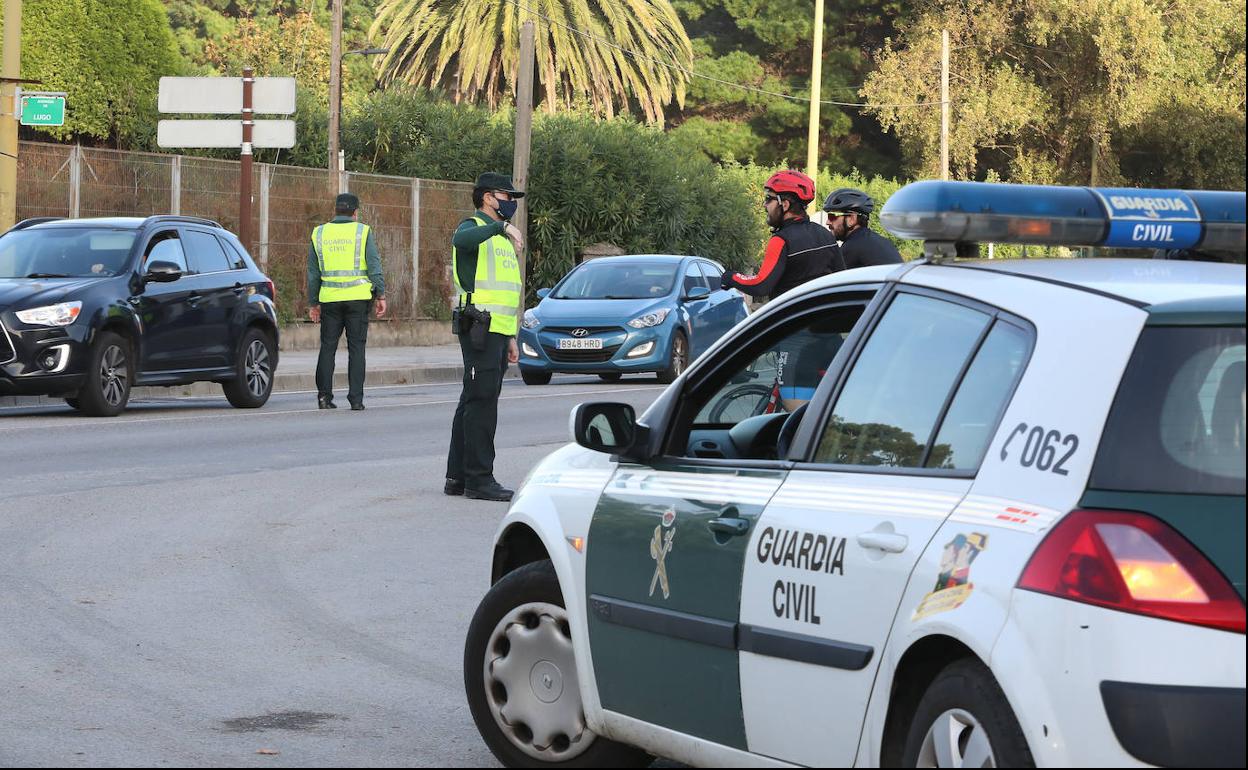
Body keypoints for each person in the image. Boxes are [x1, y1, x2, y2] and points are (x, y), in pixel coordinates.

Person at [444, 172, 526, 502]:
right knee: (482, 404)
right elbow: (459, 242)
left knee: (473, 401)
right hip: (478, 326)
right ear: (488, 198)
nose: (512, 204)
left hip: (497, 331)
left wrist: (510, 337)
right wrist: (501, 226)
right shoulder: (472, 227)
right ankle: (480, 479)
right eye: (507, 197)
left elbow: (504, 295)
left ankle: (457, 477)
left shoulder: (501, 241)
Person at [307, 192, 387, 411]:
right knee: (357, 349)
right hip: (358, 300)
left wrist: (313, 303)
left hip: (330, 299)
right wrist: (380, 294)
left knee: (327, 348)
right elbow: (374, 265)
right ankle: (356, 399)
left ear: (335, 210)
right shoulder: (362, 231)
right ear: (355, 212)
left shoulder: (319, 233)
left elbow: (313, 274)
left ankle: (324, 398)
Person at [720, 170, 844, 301]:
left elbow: (761, 285)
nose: (764, 205)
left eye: (768, 199)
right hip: (826, 316)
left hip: (791, 318)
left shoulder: (781, 240)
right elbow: (842, 278)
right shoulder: (825, 234)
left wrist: (730, 277)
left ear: (785, 204)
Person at [822, 188, 903, 268]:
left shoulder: (852, 248)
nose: (827, 222)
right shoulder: (880, 241)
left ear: (851, 219)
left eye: (832, 216)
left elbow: (832, 278)